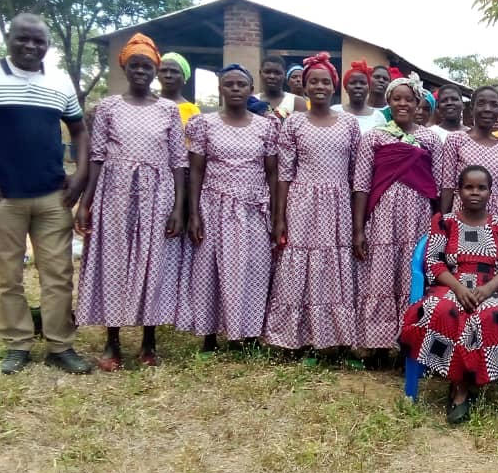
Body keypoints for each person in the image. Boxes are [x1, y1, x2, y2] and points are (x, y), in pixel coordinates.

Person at [0, 13, 92, 374]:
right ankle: (17, 344)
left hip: (53, 195)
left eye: (38, 41)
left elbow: (79, 131)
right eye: (23, 38)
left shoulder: (58, 81)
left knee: (58, 274)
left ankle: (60, 345)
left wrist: (80, 175)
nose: (31, 46)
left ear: (47, 46)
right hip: (1, 196)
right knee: (7, 275)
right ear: (10, 38)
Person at [73, 33, 186, 371]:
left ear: (154, 70)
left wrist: (179, 207)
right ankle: (112, 342)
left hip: (158, 194)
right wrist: (85, 202)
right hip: (116, 193)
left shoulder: (169, 110)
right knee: (115, 263)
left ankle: (149, 342)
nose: (141, 71)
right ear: (125, 67)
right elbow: (96, 157)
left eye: (147, 66)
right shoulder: (107, 107)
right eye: (134, 65)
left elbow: (179, 161)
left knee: (153, 264)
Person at [400, 165, 498, 424]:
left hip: (492, 288)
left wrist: (487, 290)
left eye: (481, 187)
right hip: (450, 285)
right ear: (458, 191)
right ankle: (460, 384)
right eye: (469, 187)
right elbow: (434, 263)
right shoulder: (445, 222)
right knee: (445, 310)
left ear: (490, 192)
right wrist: (459, 288)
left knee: (492, 314)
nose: (474, 193)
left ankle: (464, 382)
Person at [177, 63, 278, 353]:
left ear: (250, 90)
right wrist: (193, 213)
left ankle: (247, 334)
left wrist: (273, 211)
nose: (235, 89)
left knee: (254, 270)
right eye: (229, 84)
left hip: (252, 207)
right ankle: (209, 335)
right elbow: (195, 171)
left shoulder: (266, 127)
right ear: (220, 89)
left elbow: (272, 172)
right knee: (210, 270)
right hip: (214, 206)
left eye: (241, 85)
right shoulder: (203, 124)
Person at [265, 53, 360, 354]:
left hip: (339, 204)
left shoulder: (349, 123)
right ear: (304, 88)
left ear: (334, 86)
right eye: (312, 81)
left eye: (325, 81)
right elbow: (283, 175)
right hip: (302, 202)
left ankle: (336, 339)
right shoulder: (293, 123)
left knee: (334, 267)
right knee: (299, 265)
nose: (319, 86)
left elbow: (357, 174)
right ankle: (297, 337)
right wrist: (279, 217)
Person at [352, 72, 442, 353]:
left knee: (413, 274)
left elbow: (438, 187)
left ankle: (411, 344)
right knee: (380, 274)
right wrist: (358, 229)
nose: (403, 104)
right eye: (396, 98)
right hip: (382, 215)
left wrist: (439, 226)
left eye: (409, 99)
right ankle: (376, 346)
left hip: (418, 215)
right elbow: (362, 185)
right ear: (388, 102)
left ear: (419, 104)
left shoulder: (430, 139)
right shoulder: (374, 138)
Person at [438, 86, 498, 218]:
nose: (487, 109)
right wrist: (443, 220)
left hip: (496, 217)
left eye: (494, 104)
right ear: (472, 107)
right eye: (481, 103)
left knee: (491, 240)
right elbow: (448, 185)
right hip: (462, 213)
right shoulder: (456, 139)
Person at [332, 60, 386, 133]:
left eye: (363, 83)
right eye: (353, 83)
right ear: (346, 88)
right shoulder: (335, 111)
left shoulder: (378, 117)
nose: (358, 86)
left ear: (368, 88)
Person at [158, 52, 201, 124]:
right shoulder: (148, 105)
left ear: (184, 77)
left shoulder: (192, 111)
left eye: (174, 71)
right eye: (163, 71)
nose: (168, 75)